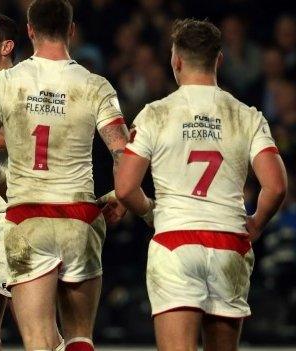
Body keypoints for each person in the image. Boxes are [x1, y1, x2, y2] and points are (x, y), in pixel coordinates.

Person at [0, 1, 129, 350]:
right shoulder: (95, 85)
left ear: (29, 30)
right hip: (79, 217)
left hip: (28, 218)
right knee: (80, 337)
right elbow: (122, 153)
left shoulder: (9, 81)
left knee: (39, 341)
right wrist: (120, 195)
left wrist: (0, 180)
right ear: (71, 30)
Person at [115, 19, 287, 351]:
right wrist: (255, 225)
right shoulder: (247, 115)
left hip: (175, 242)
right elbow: (276, 187)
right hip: (228, 242)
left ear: (175, 60)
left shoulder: (156, 114)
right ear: (219, 60)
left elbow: (124, 188)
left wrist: (151, 214)